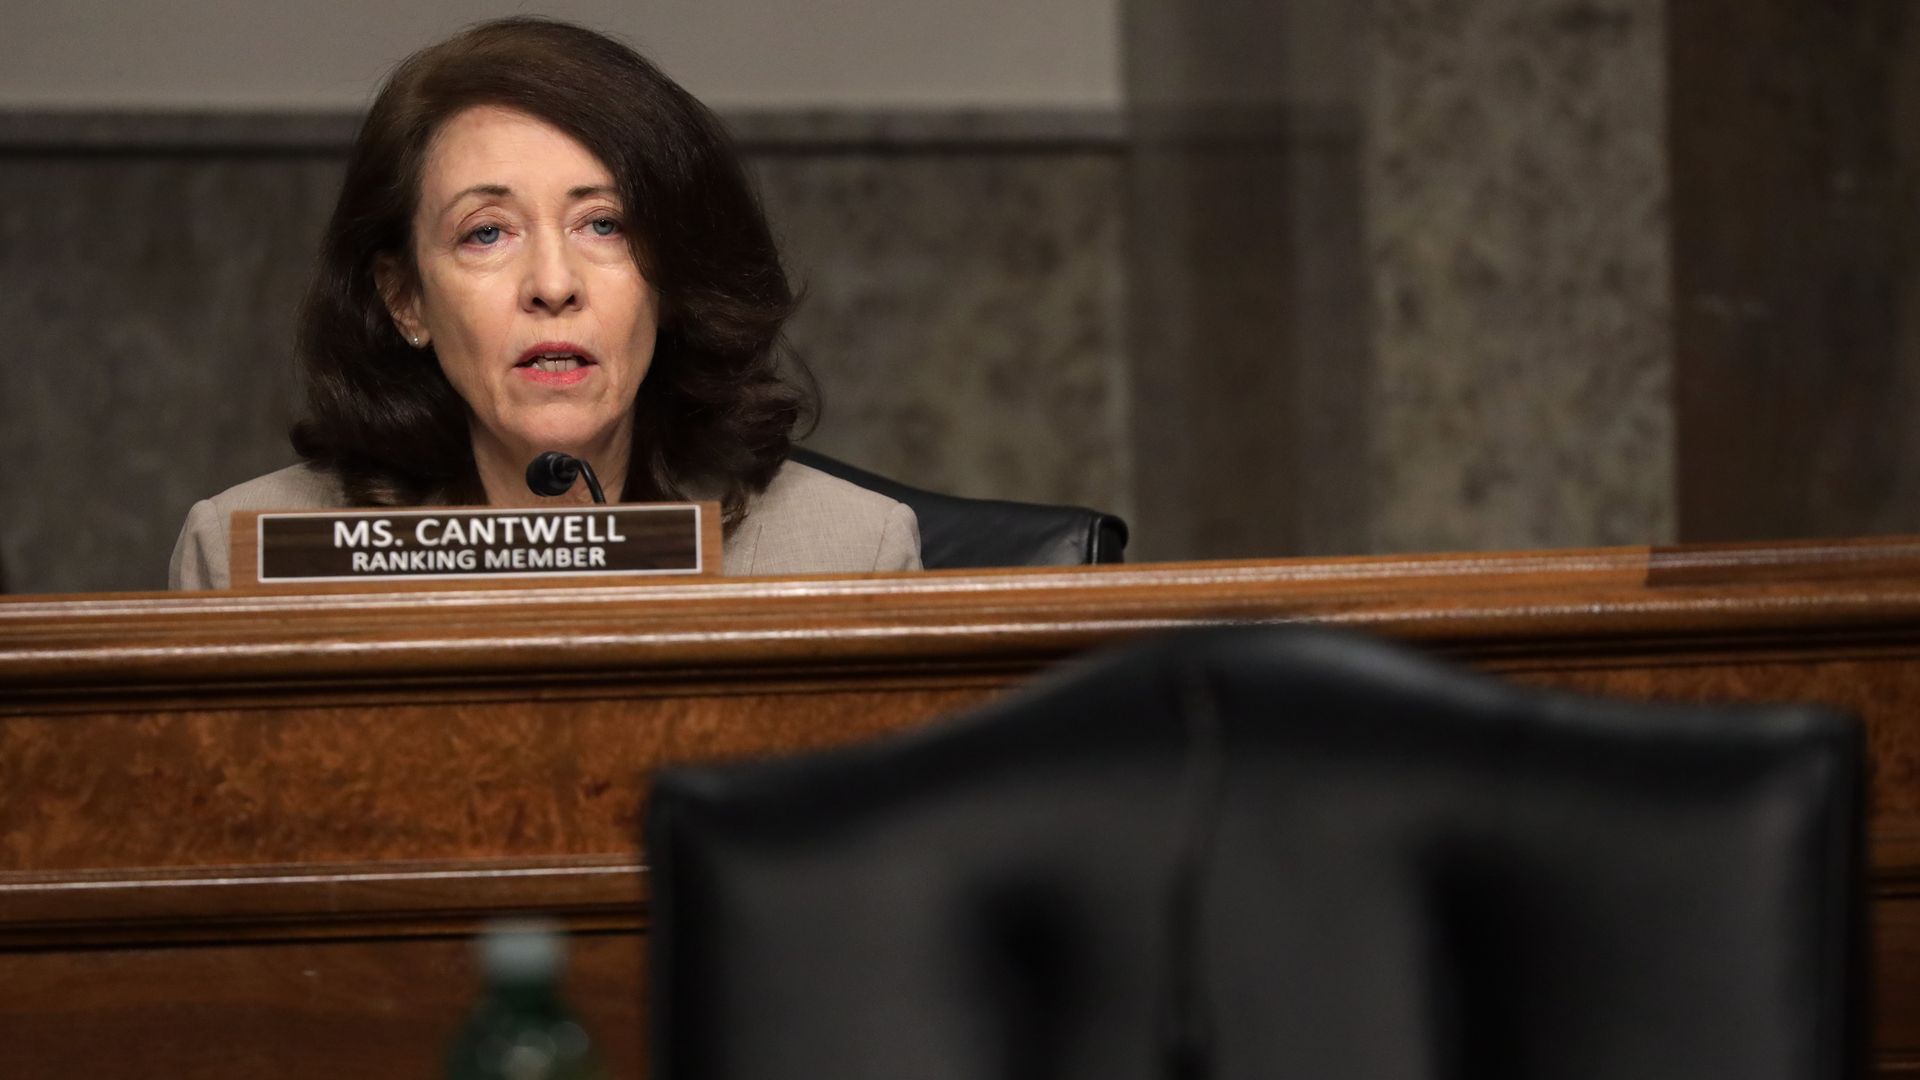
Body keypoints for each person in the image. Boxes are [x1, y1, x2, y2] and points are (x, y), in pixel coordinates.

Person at [170, 17, 920, 589]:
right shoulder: (245, 553)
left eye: (604, 224)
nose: (553, 284)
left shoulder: (848, 552)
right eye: (487, 233)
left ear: (671, 280)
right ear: (407, 301)